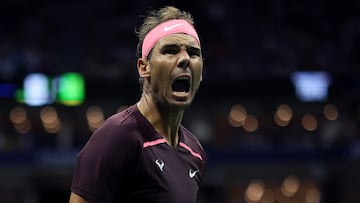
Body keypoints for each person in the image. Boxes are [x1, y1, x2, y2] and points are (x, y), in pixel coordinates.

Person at [69, 5, 207, 203]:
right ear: (144, 67)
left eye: (193, 53)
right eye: (170, 51)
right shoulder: (117, 136)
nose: (185, 58)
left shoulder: (195, 152)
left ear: (200, 73)